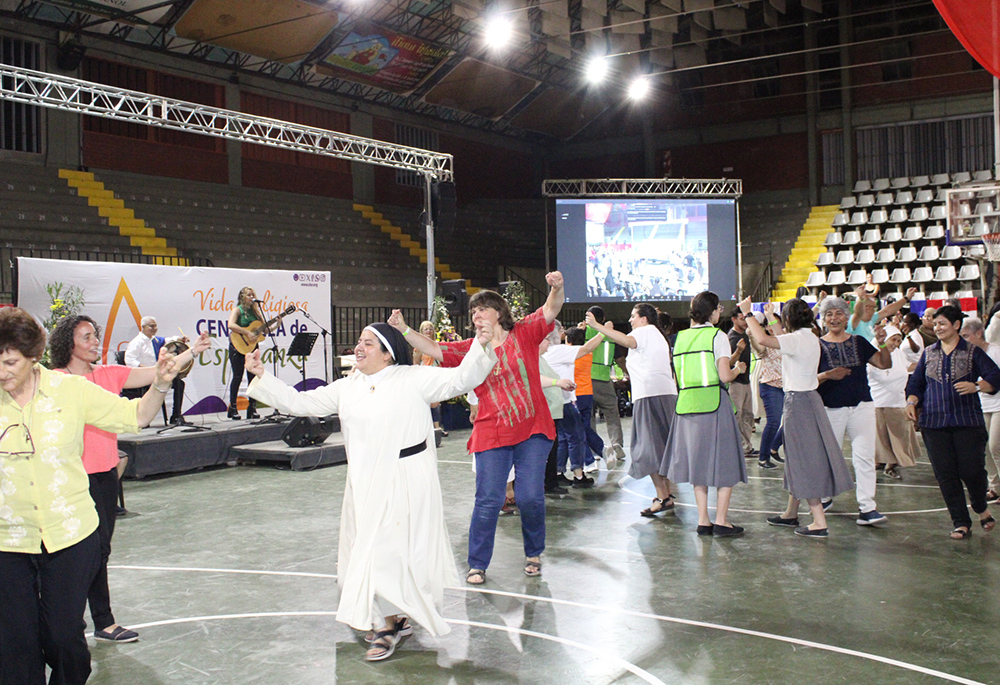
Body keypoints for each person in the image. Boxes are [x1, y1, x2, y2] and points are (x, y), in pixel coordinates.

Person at [247, 320, 496, 661]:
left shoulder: (412, 378)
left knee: (393, 552)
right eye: (359, 341)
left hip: (406, 479)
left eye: (367, 342)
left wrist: (481, 347)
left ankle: (387, 626)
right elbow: (300, 402)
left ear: (387, 353)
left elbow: (460, 378)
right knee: (367, 552)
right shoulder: (347, 387)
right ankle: (391, 618)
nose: (358, 348)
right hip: (364, 483)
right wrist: (262, 376)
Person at [0, 307, 180, 685]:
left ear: (33, 357)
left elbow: (135, 416)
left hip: (69, 533)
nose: (2, 372)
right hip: (8, 539)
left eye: (11, 362)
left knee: (64, 639)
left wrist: (160, 384)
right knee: (15, 645)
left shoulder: (71, 391)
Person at [388, 271, 564, 585]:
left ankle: (534, 551)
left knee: (529, 497)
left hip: (533, 428)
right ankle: (477, 563)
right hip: (492, 430)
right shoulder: (471, 348)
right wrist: (404, 329)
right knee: (488, 499)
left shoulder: (523, 332)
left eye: (482, 308)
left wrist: (557, 287)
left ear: (499, 313)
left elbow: (550, 310)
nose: (477, 314)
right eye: (473, 311)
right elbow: (435, 349)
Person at [48, 314, 210, 644]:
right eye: (87, 337)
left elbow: (156, 373)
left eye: (95, 335)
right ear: (68, 344)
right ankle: (69, 620)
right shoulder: (54, 382)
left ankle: (103, 621)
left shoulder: (108, 374)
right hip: (67, 480)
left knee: (100, 550)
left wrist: (192, 350)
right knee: (72, 554)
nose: (95, 342)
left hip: (105, 477)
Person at [743, 298, 855, 538]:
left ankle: (818, 521)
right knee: (796, 457)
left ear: (789, 318)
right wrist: (771, 316)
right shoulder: (810, 336)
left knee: (803, 458)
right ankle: (791, 513)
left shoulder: (796, 339)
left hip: (799, 402)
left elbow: (763, 340)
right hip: (809, 399)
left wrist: (747, 315)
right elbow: (781, 336)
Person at [906, 305, 1000, 539]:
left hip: (967, 422)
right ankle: (961, 522)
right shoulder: (928, 353)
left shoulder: (972, 352)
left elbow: (995, 377)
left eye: (942, 324)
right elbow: (916, 383)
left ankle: (980, 507)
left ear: (956, 325)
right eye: (935, 324)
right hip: (933, 423)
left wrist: (977, 386)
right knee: (946, 475)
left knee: (972, 470)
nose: (937, 328)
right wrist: (911, 401)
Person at [666, 292, 748, 536]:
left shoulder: (679, 338)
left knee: (697, 465)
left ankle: (703, 520)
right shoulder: (717, 335)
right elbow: (724, 376)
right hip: (714, 403)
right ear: (713, 311)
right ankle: (721, 520)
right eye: (719, 308)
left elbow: (676, 377)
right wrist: (738, 368)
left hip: (686, 406)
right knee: (726, 462)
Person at [586, 303, 678, 518]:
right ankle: (665, 495)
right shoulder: (658, 335)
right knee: (661, 447)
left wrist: (598, 326)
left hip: (650, 396)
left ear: (644, 319)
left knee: (647, 448)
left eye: (633, 316)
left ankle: (662, 497)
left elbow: (626, 340)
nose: (630, 320)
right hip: (665, 395)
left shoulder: (645, 332)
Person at [815, 296, 892, 526]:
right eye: (829, 314)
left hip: (862, 406)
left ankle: (868, 507)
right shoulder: (817, 346)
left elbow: (883, 363)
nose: (834, 318)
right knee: (830, 456)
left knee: (865, 457)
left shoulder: (859, 341)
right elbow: (808, 380)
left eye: (838, 313)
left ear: (847, 316)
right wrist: (828, 375)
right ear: (823, 319)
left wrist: (884, 343)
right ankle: (825, 497)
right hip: (831, 409)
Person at [542, 324, 607, 487]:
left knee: (562, 439)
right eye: (560, 329)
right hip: (564, 400)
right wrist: (604, 332)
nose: (563, 332)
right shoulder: (557, 350)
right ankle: (578, 474)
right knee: (577, 436)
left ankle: (558, 471)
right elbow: (586, 349)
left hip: (555, 401)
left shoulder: (545, 354)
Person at [866, 325, 919, 479]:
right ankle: (886, 463)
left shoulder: (899, 354)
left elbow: (909, 367)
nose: (895, 343)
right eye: (893, 339)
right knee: (882, 437)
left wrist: (925, 362)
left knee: (898, 436)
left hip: (898, 402)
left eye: (898, 340)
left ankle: (891, 464)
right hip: (880, 403)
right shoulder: (873, 354)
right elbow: (882, 376)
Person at [960, 317, 1000, 502]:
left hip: (999, 404)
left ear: (979, 333)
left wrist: (977, 385)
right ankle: (995, 486)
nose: (964, 340)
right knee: (984, 447)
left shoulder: (996, 352)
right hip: (982, 405)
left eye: (966, 336)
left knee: (996, 446)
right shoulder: (967, 356)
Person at [585, 306, 626, 463]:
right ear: (602, 319)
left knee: (589, 417)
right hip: (604, 380)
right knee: (612, 413)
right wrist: (626, 373)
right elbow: (620, 359)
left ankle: (594, 449)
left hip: (586, 381)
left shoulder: (585, 332)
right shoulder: (609, 335)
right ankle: (616, 443)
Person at [227, 286, 272, 420]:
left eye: (253, 295)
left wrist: (277, 323)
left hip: (252, 348)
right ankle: (233, 407)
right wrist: (247, 332)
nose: (252, 298)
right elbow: (231, 325)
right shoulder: (238, 310)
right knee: (237, 377)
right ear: (242, 297)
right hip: (238, 346)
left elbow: (266, 331)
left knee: (253, 378)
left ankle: (252, 408)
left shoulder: (256, 313)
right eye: (249, 295)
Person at [749, 304, 785, 469]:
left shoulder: (786, 339)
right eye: (769, 324)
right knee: (773, 421)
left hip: (787, 387)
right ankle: (763, 458)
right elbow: (760, 350)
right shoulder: (765, 340)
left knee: (790, 422)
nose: (772, 327)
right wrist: (751, 338)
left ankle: (774, 448)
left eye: (775, 323)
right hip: (770, 386)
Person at [727, 307, 754, 456]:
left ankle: (747, 446)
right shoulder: (732, 337)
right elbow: (728, 362)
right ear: (734, 319)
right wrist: (738, 351)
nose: (745, 321)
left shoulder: (745, 335)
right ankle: (738, 447)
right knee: (737, 415)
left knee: (748, 415)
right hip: (736, 382)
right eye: (742, 318)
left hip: (746, 381)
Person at [847, 285, 916, 342]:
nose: (875, 310)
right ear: (867, 308)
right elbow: (858, 312)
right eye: (874, 308)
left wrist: (906, 298)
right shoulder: (855, 321)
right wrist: (861, 300)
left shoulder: (871, 319)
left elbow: (887, 311)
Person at [414, 320, 447, 436]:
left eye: (430, 329)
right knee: (427, 402)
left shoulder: (437, 345)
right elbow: (416, 363)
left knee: (436, 401)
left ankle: (437, 428)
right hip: (425, 376)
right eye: (425, 329)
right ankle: (426, 428)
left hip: (436, 374)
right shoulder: (418, 347)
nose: (428, 331)